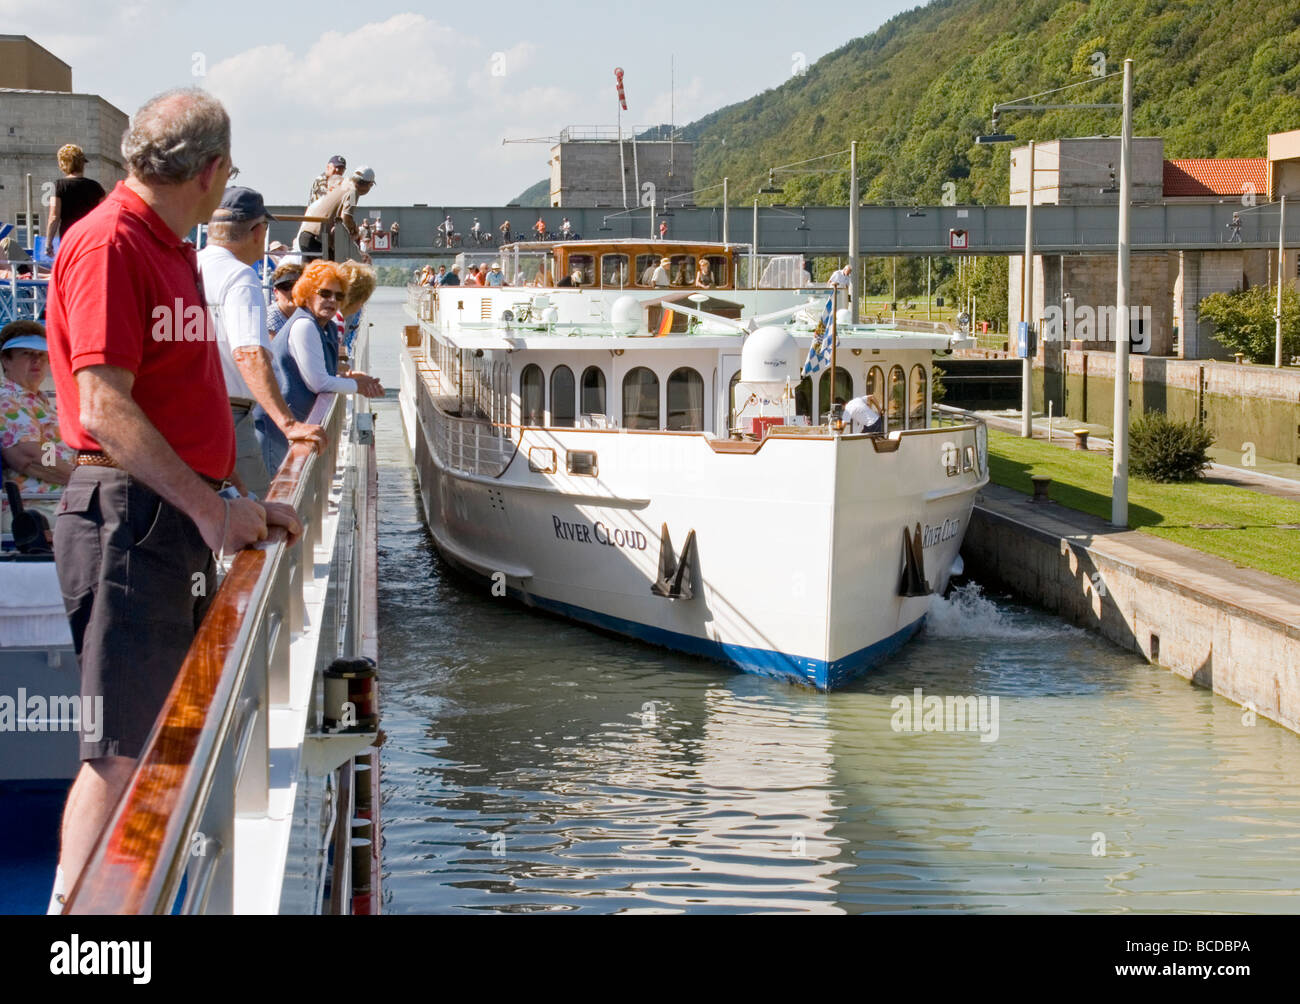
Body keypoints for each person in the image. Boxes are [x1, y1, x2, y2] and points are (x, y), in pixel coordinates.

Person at [43, 88, 303, 910]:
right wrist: (208, 507)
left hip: (164, 516)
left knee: (158, 735)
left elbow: (167, 398)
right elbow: (103, 407)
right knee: (122, 749)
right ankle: (79, 936)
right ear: (216, 170)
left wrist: (235, 501)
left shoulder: (165, 246)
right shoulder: (113, 245)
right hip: (130, 520)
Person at [200, 186, 328, 498]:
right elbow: (249, 353)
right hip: (228, 416)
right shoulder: (240, 277)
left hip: (185, 413)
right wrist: (288, 424)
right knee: (255, 514)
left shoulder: (187, 266)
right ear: (258, 231)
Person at [256, 260, 383, 474]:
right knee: (273, 487)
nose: (332, 300)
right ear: (308, 293)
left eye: (339, 296)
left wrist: (352, 377)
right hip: (275, 425)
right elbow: (318, 382)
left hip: (295, 421)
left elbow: (323, 371)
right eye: (324, 294)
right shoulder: (304, 325)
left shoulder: (327, 327)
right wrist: (357, 385)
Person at [0, 321, 75, 528]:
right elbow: (30, 457)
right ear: (6, 360)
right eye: (27, 354)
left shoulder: (35, 401)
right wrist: (84, 478)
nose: (37, 361)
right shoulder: (7, 400)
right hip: (37, 507)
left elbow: (46, 449)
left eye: (42, 355)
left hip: (59, 501)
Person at [296, 166, 376, 263]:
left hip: (306, 234)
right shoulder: (353, 192)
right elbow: (346, 217)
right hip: (318, 239)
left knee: (309, 274)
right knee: (329, 273)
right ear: (368, 184)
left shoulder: (342, 184)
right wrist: (354, 230)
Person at [44, 144, 106, 246]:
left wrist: (48, 243)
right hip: (91, 239)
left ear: (63, 164)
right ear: (82, 164)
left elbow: (54, 217)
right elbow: (104, 217)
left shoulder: (59, 186)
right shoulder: (96, 187)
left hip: (68, 239)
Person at [269, 260, 304, 337]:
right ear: (276, 292)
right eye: (285, 286)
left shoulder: (307, 313)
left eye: (297, 286)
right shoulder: (269, 320)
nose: (292, 291)